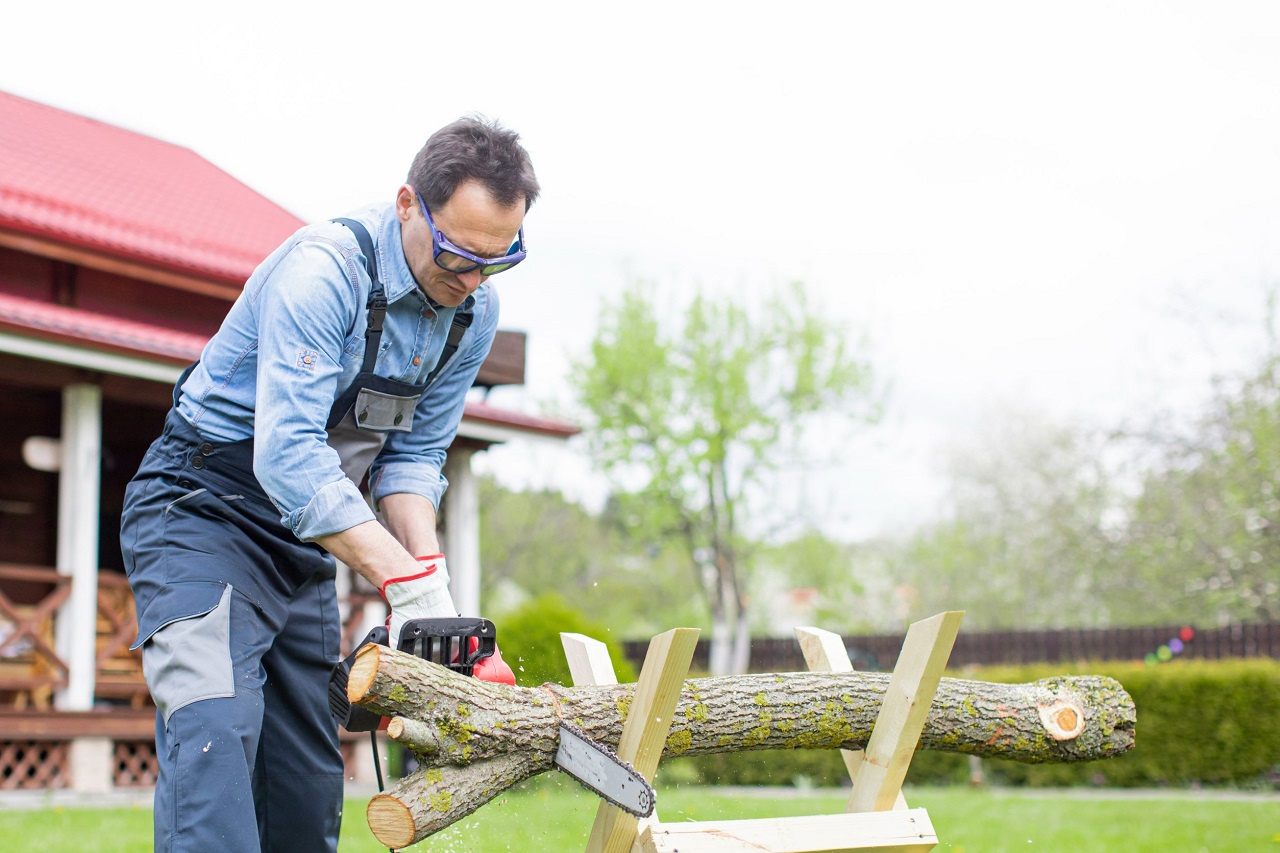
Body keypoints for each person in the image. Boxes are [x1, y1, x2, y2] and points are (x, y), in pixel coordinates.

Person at [120, 115, 538, 852]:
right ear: (409, 204)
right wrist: (401, 585)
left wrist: (430, 591)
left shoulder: (473, 312)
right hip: (203, 509)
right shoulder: (325, 272)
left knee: (305, 781)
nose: (471, 280)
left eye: (494, 262)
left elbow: (411, 461)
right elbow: (287, 457)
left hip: (308, 535)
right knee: (214, 733)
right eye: (456, 255)